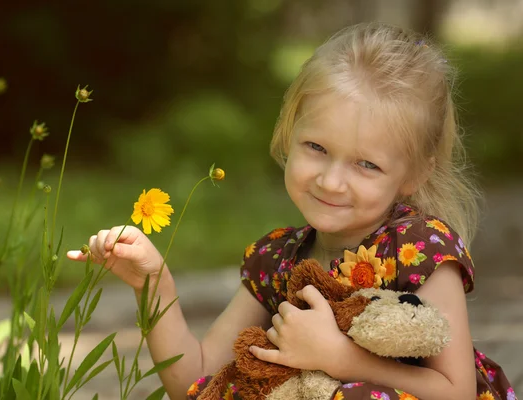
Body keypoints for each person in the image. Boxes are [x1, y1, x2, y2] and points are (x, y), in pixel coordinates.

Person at [67, 23, 517, 400]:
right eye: (317, 147)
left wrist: (341, 359)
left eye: (367, 164)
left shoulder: (419, 248)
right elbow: (197, 381)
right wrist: (154, 286)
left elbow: (456, 392)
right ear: (289, 132)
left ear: (414, 174)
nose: (330, 180)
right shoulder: (277, 260)